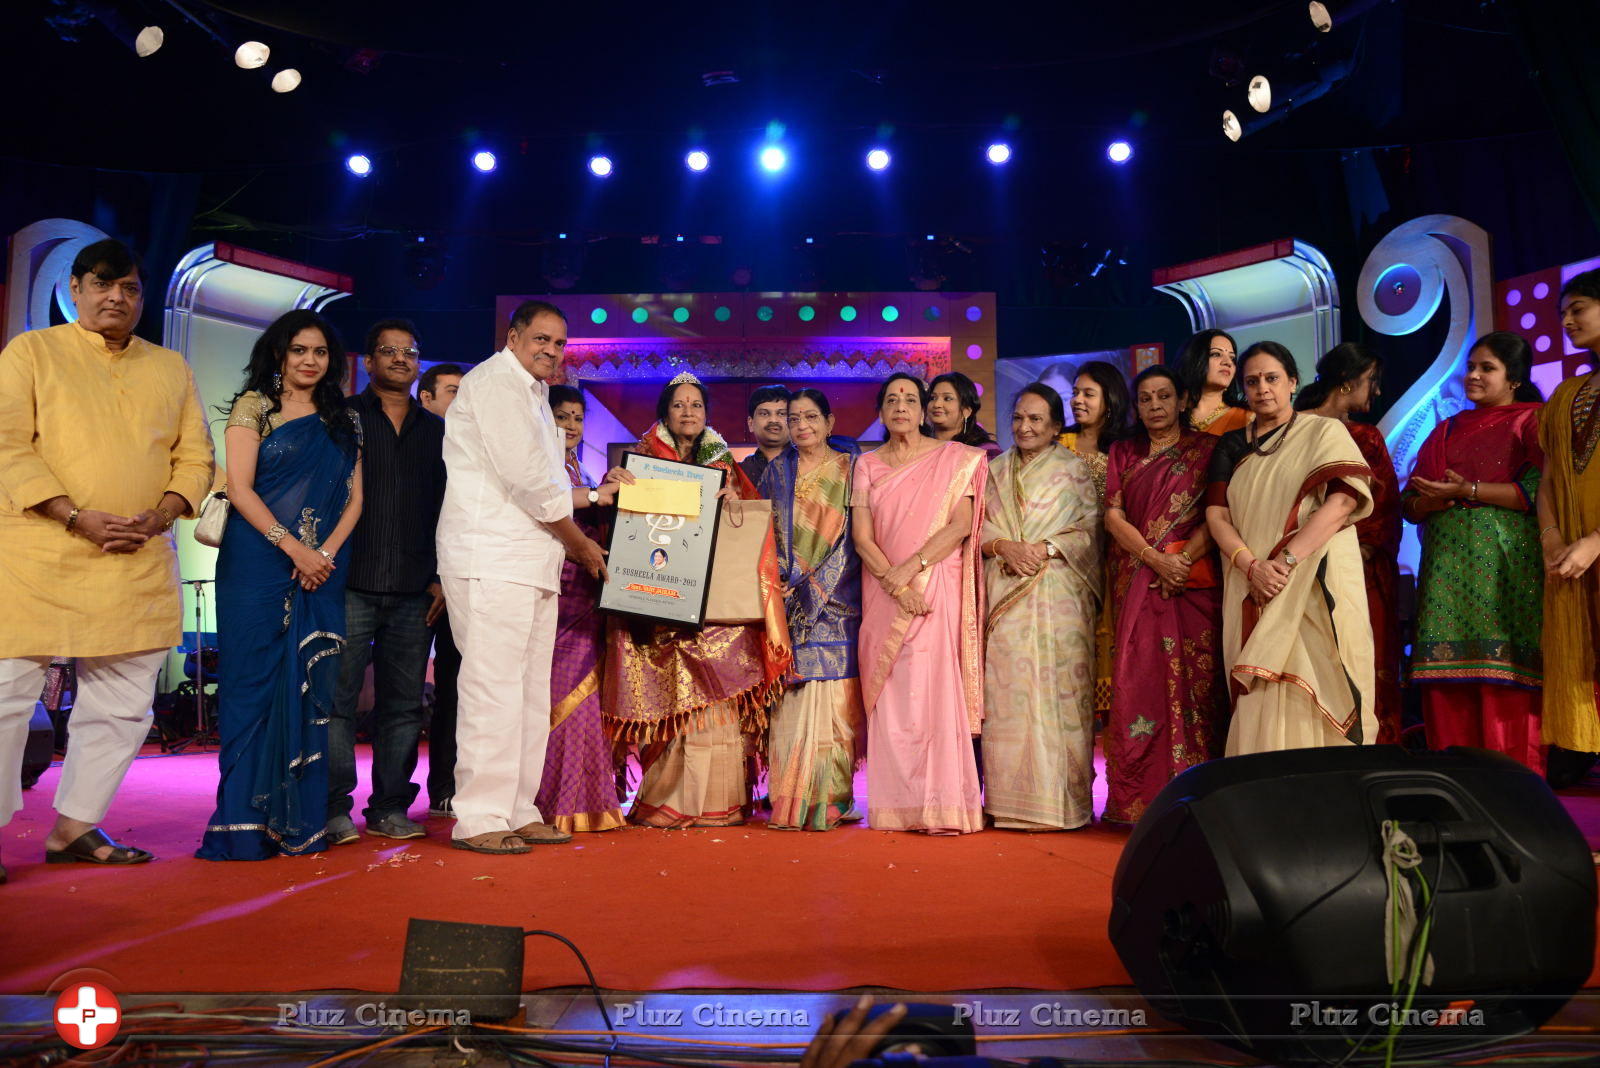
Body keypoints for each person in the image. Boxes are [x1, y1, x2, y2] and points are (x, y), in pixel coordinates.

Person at [0, 239, 213, 880]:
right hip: (40, 553)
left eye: (130, 288)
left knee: (123, 701)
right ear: (75, 288)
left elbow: (196, 456)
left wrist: (162, 512)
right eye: (103, 285)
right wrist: (72, 514)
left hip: (137, 556)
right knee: (7, 697)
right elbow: (9, 446)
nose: (116, 298)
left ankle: (74, 829)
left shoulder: (170, 366)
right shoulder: (32, 353)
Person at [435, 300, 609, 854]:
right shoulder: (493, 386)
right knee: (492, 689)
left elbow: (548, 487)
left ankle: (518, 808)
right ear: (512, 337)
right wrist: (580, 544)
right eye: (540, 339)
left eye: (559, 344)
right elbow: (531, 484)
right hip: (490, 556)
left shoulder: (535, 395)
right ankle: (480, 817)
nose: (550, 352)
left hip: (532, 562)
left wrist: (599, 496)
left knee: (531, 693)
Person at [199, 311, 363, 860]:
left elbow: (355, 499)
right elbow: (240, 489)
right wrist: (296, 549)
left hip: (321, 570)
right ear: (279, 355)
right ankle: (243, 825)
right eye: (298, 350)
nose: (309, 361)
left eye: (319, 351)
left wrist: (325, 555)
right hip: (257, 563)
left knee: (312, 687)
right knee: (251, 685)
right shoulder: (254, 408)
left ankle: (297, 822)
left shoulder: (344, 420)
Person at [602, 372, 791, 827]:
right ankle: (666, 801)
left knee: (719, 697)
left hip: (716, 607)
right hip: (658, 606)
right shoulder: (643, 460)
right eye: (679, 405)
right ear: (665, 413)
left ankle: (718, 804)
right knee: (666, 700)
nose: (688, 412)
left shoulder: (723, 462)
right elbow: (618, 523)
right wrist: (614, 485)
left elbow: (752, 524)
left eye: (697, 406)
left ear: (707, 415)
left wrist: (732, 498)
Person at [1205, 341, 1377, 754]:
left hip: (1313, 580)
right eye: (1252, 381)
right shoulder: (1230, 446)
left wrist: (1283, 563)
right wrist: (1252, 567)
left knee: (1321, 673)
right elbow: (1217, 517)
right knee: (1261, 687)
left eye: (1272, 378)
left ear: (1293, 382)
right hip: (1251, 583)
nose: (1263, 388)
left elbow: (1342, 502)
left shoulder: (1324, 432)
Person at [326, 321, 447, 844]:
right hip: (348, 579)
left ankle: (390, 807)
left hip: (416, 587)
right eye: (388, 351)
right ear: (369, 361)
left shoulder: (439, 430)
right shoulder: (341, 420)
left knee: (403, 705)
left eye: (409, 352)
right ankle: (332, 807)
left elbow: (452, 509)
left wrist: (443, 575)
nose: (400, 358)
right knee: (337, 700)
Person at [852, 373, 987, 833]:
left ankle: (942, 805)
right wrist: (895, 584)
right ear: (882, 409)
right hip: (886, 589)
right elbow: (862, 538)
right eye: (892, 399)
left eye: (911, 398)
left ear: (924, 406)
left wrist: (912, 570)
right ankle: (896, 807)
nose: (901, 406)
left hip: (935, 585)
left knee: (932, 691)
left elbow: (961, 524)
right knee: (892, 694)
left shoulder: (954, 459)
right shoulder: (866, 464)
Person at [1404, 333, 1544, 772]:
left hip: (1507, 568)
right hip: (1445, 571)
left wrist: (1470, 489)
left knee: (1505, 683)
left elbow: (1540, 492)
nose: (1474, 376)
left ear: (1514, 378)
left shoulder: (1533, 422)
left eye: (1488, 368)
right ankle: (1457, 792)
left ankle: (1518, 798)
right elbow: (1409, 503)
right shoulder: (1446, 429)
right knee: (1448, 685)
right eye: (1472, 366)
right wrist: (1432, 501)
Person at [1102, 366, 1227, 823]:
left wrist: (1182, 561)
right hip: (1138, 577)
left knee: (1199, 684)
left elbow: (1218, 512)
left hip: (1192, 584)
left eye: (1163, 396)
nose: (1154, 406)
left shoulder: (1208, 449)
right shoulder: (1124, 451)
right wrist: (1156, 559)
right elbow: (1113, 516)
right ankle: (1138, 801)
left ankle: (1198, 797)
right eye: (1145, 398)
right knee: (1139, 682)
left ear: (1182, 401)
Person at [979, 384, 1100, 830]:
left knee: (1058, 698)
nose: (1024, 427)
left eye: (1035, 420)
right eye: (1018, 418)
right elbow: (976, 528)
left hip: (1058, 597)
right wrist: (1006, 546)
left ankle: (1060, 805)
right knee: (1007, 695)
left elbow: (1089, 530)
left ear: (1054, 427)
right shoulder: (992, 471)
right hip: (1005, 593)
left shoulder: (1074, 471)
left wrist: (1045, 549)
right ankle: (1009, 804)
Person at [758, 388, 865, 830]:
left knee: (836, 704)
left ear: (829, 422)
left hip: (839, 596)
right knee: (793, 699)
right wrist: (779, 582)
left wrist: (814, 586)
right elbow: (761, 529)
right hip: (783, 598)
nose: (801, 425)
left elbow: (856, 534)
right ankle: (790, 796)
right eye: (793, 418)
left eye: (810, 417)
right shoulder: (774, 474)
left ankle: (834, 799)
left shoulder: (852, 469)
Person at [1295, 343, 1403, 744]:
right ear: (1346, 382)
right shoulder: (1294, 429)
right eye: (1371, 381)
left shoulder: (1365, 436)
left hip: (1352, 567)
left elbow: (1385, 509)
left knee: (1357, 660)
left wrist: (1357, 552)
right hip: (1295, 566)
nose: (1375, 392)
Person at [537, 384, 626, 832]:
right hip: (553, 595)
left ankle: (586, 802)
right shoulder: (541, 465)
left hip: (589, 597)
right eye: (561, 416)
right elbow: (548, 512)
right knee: (554, 695)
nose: (571, 426)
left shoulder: (579, 468)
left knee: (587, 698)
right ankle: (551, 802)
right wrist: (598, 496)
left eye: (577, 418)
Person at [1540, 268, 1600, 780]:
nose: (1566, 319)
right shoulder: (1565, 394)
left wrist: (1595, 542)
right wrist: (1553, 536)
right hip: (1570, 553)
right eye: (1563, 310)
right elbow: (1548, 479)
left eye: (1578, 307)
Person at [1060, 360, 1131, 719]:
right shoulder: (1059, 444)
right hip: (1065, 562)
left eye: (1088, 393)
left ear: (1110, 399)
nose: (1077, 400)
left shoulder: (1127, 448)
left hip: (1116, 559)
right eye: (1074, 392)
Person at [417, 361, 464, 818]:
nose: (461, 400)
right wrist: (432, 577)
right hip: (412, 585)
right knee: (402, 695)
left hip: (459, 584)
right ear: (425, 398)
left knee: (454, 691)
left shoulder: (471, 448)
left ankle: (445, 786)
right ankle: (386, 798)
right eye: (452, 392)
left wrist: (451, 577)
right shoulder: (415, 446)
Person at [1178, 329, 1250, 436]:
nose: (1228, 362)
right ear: (1194, 360)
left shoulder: (1247, 418)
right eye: (1216, 354)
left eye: (1232, 358)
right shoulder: (1170, 416)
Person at [926, 371, 1000, 456]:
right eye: (933, 398)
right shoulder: (920, 449)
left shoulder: (984, 452)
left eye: (947, 398)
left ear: (966, 411)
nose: (936, 404)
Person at [742, 384, 792, 489]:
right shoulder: (738, 473)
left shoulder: (810, 467)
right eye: (764, 414)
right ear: (750, 424)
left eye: (782, 414)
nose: (773, 420)